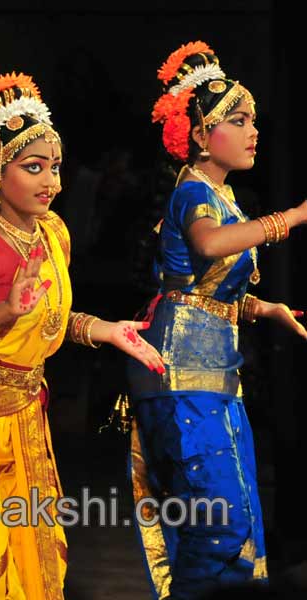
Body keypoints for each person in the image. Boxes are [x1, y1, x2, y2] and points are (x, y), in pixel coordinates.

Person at [0, 72, 165, 600]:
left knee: (35, 564)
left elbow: (44, 320)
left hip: (20, 418)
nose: (51, 181)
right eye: (33, 167)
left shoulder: (53, 232)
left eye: (55, 167)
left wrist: (104, 331)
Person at [127, 41, 307, 599]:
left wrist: (262, 307)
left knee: (242, 523)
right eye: (239, 120)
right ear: (202, 135)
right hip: (180, 376)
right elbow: (208, 247)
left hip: (216, 378)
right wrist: (294, 218)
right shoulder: (192, 195)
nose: (254, 131)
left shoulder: (224, 196)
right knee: (217, 528)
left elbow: (200, 287)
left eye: (254, 120)